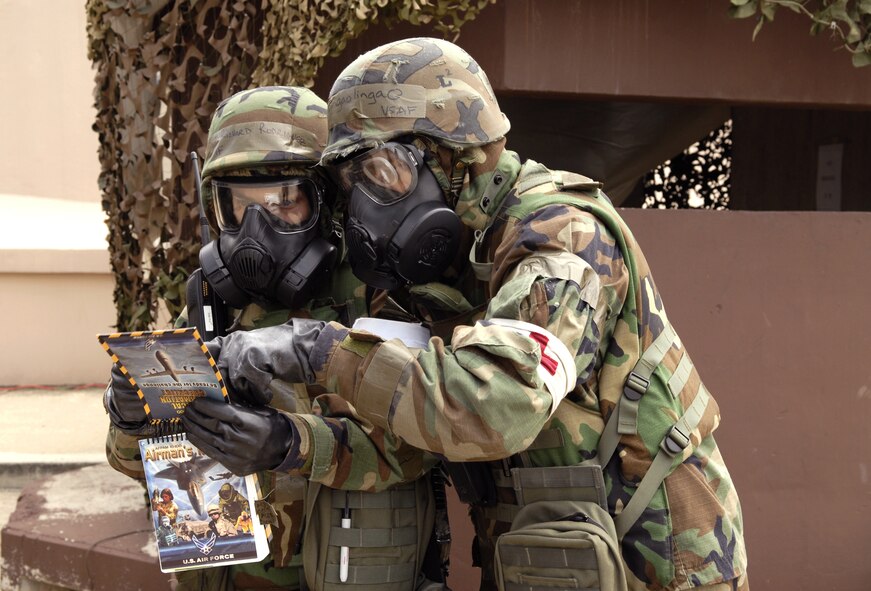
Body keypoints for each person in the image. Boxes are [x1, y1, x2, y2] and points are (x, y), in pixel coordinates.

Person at [206, 38, 748, 590]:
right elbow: (406, 435)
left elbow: (499, 407)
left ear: (453, 156)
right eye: (352, 184)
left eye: (382, 172)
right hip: (539, 556)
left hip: (654, 562)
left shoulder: (563, 236)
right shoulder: (444, 266)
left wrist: (315, 350)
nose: (365, 205)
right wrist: (287, 441)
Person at [104, 86, 441, 591]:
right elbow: (140, 464)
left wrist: (291, 443)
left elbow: (424, 445)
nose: (256, 227)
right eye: (238, 206)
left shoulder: (376, 295)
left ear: (324, 199)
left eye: (284, 201)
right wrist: (130, 419)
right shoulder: (210, 305)